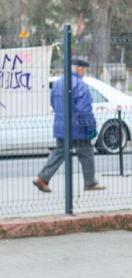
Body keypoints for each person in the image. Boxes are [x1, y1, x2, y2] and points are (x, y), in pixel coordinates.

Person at [32, 57, 105, 192]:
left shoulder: (58, 83)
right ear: (80, 69)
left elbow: (54, 103)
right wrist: (91, 127)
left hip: (61, 125)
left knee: (59, 152)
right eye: (84, 70)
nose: (84, 72)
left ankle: (42, 178)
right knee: (87, 153)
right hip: (78, 128)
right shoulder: (80, 84)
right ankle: (90, 182)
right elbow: (84, 109)